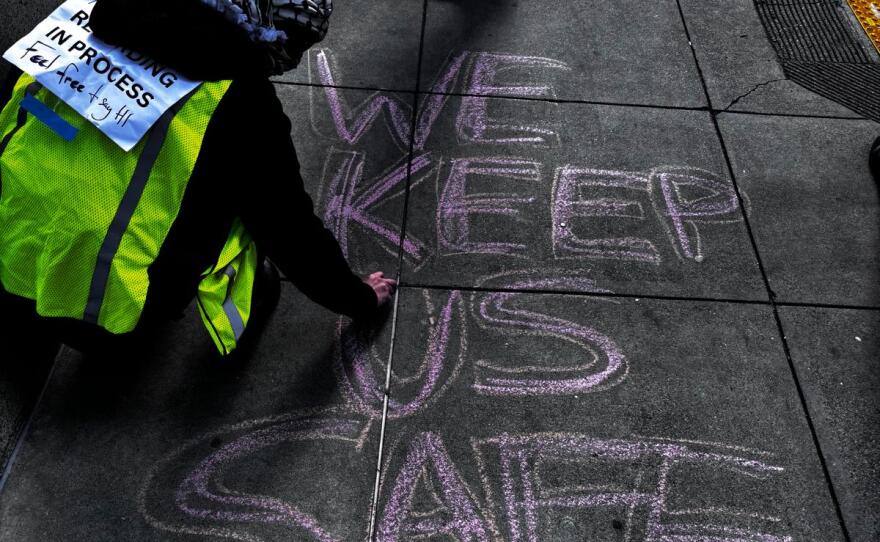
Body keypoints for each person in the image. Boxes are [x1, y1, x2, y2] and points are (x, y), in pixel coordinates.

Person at [0, 0, 396, 357]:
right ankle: (123, 335)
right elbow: (291, 230)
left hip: (8, 256)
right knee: (246, 197)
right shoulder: (238, 99)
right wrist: (359, 298)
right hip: (97, 310)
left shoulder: (86, 12)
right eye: (290, 43)